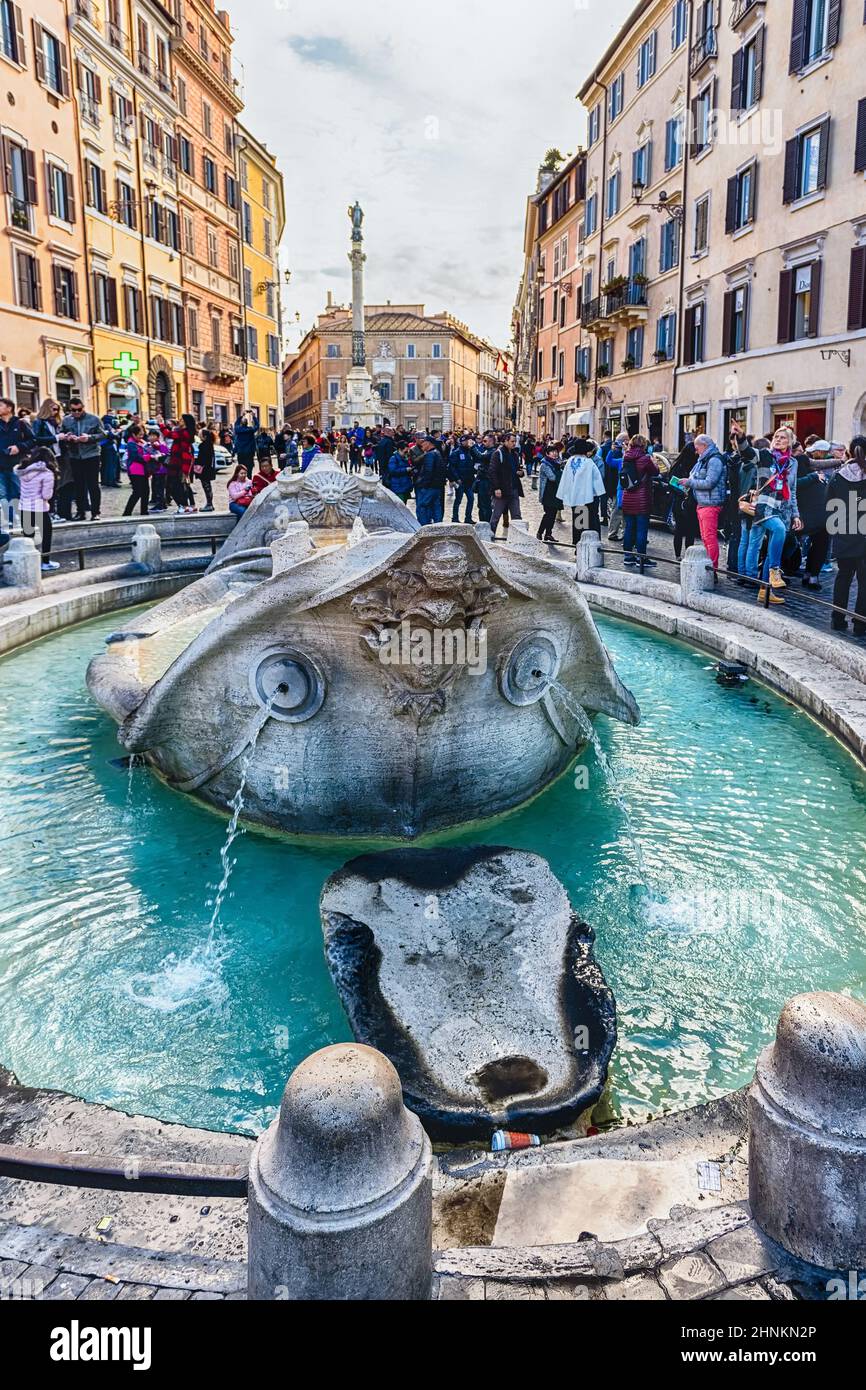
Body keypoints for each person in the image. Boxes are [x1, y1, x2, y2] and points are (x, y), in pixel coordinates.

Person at [744, 427, 803, 605]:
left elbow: (792, 491)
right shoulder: (765, 456)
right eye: (776, 436)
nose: (777, 439)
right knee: (777, 531)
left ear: (790, 442)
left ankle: (765, 591)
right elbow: (746, 452)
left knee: (772, 550)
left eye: (783, 437)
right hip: (766, 506)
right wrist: (739, 437)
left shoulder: (793, 463)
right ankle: (774, 570)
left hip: (783, 509)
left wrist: (796, 515)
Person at [827, 438, 866, 637]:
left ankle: (837, 619)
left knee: (843, 578)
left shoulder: (836, 477)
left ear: (849, 452)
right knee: (864, 582)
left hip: (844, 533)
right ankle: (861, 624)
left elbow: (830, 507)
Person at [687, 434, 728, 570]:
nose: (696, 450)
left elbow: (710, 482)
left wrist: (690, 483)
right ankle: (708, 566)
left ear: (704, 446)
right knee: (705, 538)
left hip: (711, 503)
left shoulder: (714, 460)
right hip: (703, 503)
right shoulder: (703, 459)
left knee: (709, 538)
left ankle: (712, 569)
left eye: (697, 447)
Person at [60, 398, 105, 521]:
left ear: (83, 407)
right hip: (75, 455)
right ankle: (81, 512)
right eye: (74, 410)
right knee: (79, 485)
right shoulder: (66, 420)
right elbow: (62, 433)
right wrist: (68, 437)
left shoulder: (94, 419)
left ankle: (95, 512)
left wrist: (89, 437)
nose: (77, 412)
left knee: (93, 485)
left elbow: (103, 434)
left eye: (79, 410)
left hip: (91, 455)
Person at [15, 446, 58, 571]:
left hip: (24, 507)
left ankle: (29, 564)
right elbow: (46, 495)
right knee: (46, 535)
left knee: (28, 537)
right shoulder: (47, 473)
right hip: (39, 508)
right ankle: (45, 562)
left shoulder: (22, 470)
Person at [797, 440, 833, 590]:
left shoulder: (803, 467)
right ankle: (812, 576)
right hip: (818, 516)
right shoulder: (812, 473)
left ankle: (809, 575)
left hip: (809, 514)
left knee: (817, 544)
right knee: (820, 545)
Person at [557, 438, 606, 545]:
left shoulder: (569, 461)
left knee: (579, 521)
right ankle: (590, 543)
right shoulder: (589, 463)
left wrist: (566, 492)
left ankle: (577, 543)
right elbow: (597, 479)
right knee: (591, 520)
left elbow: (565, 478)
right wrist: (599, 492)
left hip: (575, 497)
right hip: (589, 498)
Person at [620, 435, 659, 566]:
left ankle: (628, 556)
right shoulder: (645, 459)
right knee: (641, 530)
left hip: (627, 498)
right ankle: (641, 558)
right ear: (643, 445)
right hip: (642, 500)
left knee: (629, 528)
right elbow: (655, 472)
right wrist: (655, 463)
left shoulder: (626, 457)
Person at [0, 397, 33, 527]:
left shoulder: (20, 423)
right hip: (0, 464)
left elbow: (33, 440)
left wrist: (19, 447)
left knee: (17, 492)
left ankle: (25, 521)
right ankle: (11, 521)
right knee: (3, 495)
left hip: (16, 464)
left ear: (9, 408)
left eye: (1, 405)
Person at [161, 413, 198, 513]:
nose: (179, 421)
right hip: (180, 463)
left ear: (185, 422)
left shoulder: (184, 433)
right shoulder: (185, 432)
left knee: (173, 486)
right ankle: (189, 505)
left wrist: (161, 424)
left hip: (179, 464)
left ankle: (183, 506)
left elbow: (169, 434)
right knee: (182, 485)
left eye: (181, 420)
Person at [489, 432, 523, 540]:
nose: (514, 444)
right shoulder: (498, 453)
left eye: (515, 441)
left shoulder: (515, 455)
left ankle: (518, 539)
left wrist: (521, 473)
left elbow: (518, 469)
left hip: (513, 490)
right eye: (512, 441)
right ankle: (490, 537)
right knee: (496, 516)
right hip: (502, 491)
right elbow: (492, 471)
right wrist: (496, 488)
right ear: (505, 441)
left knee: (517, 516)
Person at [412, 436, 447, 525]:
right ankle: (438, 526)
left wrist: (422, 484)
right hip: (436, 486)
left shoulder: (430, 454)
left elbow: (428, 471)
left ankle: (423, 527)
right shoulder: (437, 453)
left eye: (423, 442)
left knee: (422, 507)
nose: (422, 445)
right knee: (436, 508)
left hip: (429, 487)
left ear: (428, 443)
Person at [604, 432, 629, 541]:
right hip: (619, 488)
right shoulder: (621, 459)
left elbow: (608, 461)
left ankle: (623, 533)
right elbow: (609, 462)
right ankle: (616, 533)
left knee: (622, 512)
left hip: (620, 488)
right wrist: (612, 450)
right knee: (618, 511)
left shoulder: (625, 457)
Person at [536, 443, 564, 542]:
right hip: (547, 493)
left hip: (555, 492)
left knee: (553, 514)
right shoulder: (545, 464)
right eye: (552, 452)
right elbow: (552, 477)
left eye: (556, 452)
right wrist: (561, 471)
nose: (555, 454)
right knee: (548, 514)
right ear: (547, 453)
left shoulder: (556, 463)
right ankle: (540, 532)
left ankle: (548, 534)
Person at [123, 426, 151, 516]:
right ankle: (127, 512)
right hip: (135, 470)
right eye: (139, 435)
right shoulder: (131, 443)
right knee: (137, 492)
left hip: (143, 470)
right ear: (133, 434)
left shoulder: (140, 442)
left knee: (146, 491)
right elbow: (135, 456)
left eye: (142, 434)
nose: (141, 436)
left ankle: (144, 511)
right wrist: (148, 457)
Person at [448, 436, 476, 523]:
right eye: (466, 441)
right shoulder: (456, 452)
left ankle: (468, 518)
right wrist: (456, 478)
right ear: (462, 442)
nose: (468, 443)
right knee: (458, 500)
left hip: (469, 480)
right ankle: (455, 518)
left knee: (471, 499)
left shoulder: (470, 452)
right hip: (460, 481)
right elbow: (452, 467)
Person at [473, 431, 496, 524]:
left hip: (486, 481)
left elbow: (481, 457)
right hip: (481, 480)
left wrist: (473, 447)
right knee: (481, 505)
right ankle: (482, 522)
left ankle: (486, 524)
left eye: (485, 441)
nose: (483, 442)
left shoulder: (493, 452)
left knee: (486, 505)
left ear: (491, 442)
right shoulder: (486, 449)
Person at [196, 425, 217, 512]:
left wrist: (197, 462)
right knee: (207, 486)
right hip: (207, 468)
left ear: (204, 436)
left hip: (205, 469)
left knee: (206, 486)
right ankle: (210, 504)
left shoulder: (204, 445)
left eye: (200, 434)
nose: (198, 435)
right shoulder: (209, 444)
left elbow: (203, 458)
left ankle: (209, 504)